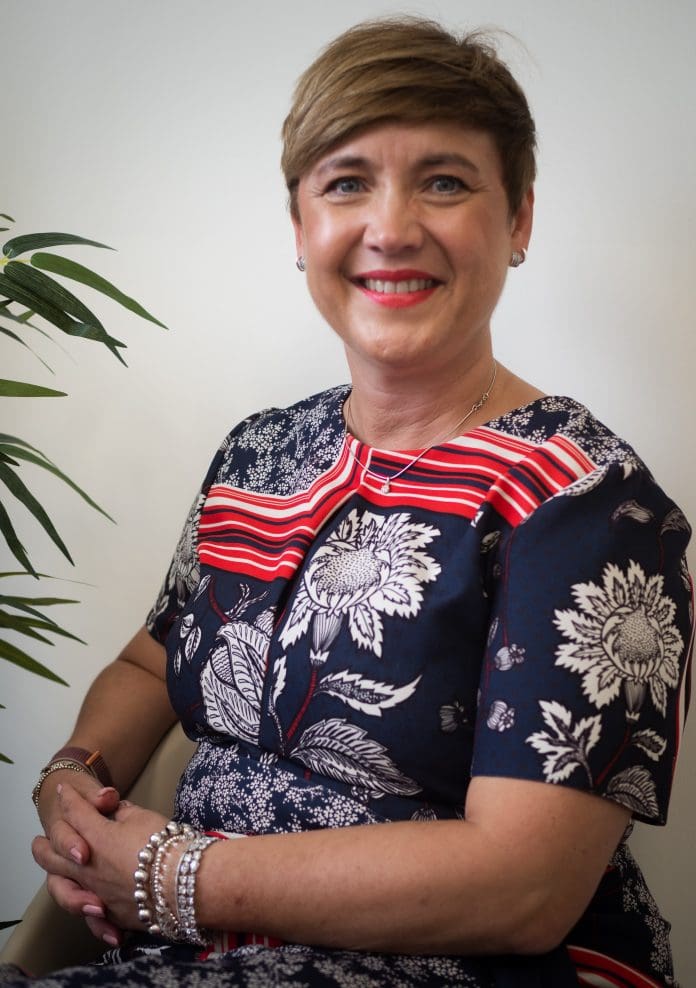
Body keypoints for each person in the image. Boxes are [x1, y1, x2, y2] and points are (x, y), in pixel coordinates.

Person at [2, 15, 692, 988]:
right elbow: (149, 661)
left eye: (444, 182)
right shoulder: (256, 456)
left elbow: (523, 887)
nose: (392, 228)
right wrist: (73, 780)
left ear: (519, 219)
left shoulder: (590, 505)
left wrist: (172, 876)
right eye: (346, 183)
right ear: (301, 228)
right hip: (178, 946)